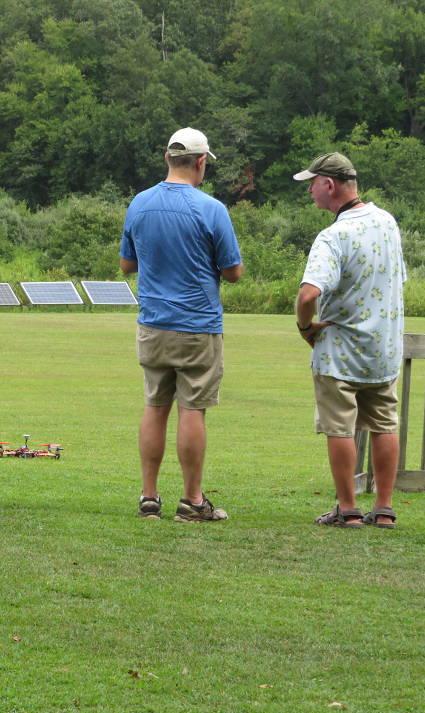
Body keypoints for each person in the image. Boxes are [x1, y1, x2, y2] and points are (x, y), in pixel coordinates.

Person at [120, 127, 243, 522]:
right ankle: (192, 501)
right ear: (201, 162)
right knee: (193, 410)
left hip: (153, 323)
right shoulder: (212, 209)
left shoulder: (139, 204)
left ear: (167, 158)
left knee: (155, 406)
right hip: (197, 325)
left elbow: (127, 264)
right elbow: (233, 272)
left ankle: (149, 497)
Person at [293, 152, 406, 528]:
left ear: (330, 184)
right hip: (384, 350)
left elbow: (309, 294)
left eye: (312, 183)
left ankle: (348, 509)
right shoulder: (387, 222)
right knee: (384, 425)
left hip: (339, 350)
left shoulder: (333, 235)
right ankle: (385, 509)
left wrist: (305, 327)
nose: (309, 190)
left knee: (339, 427)